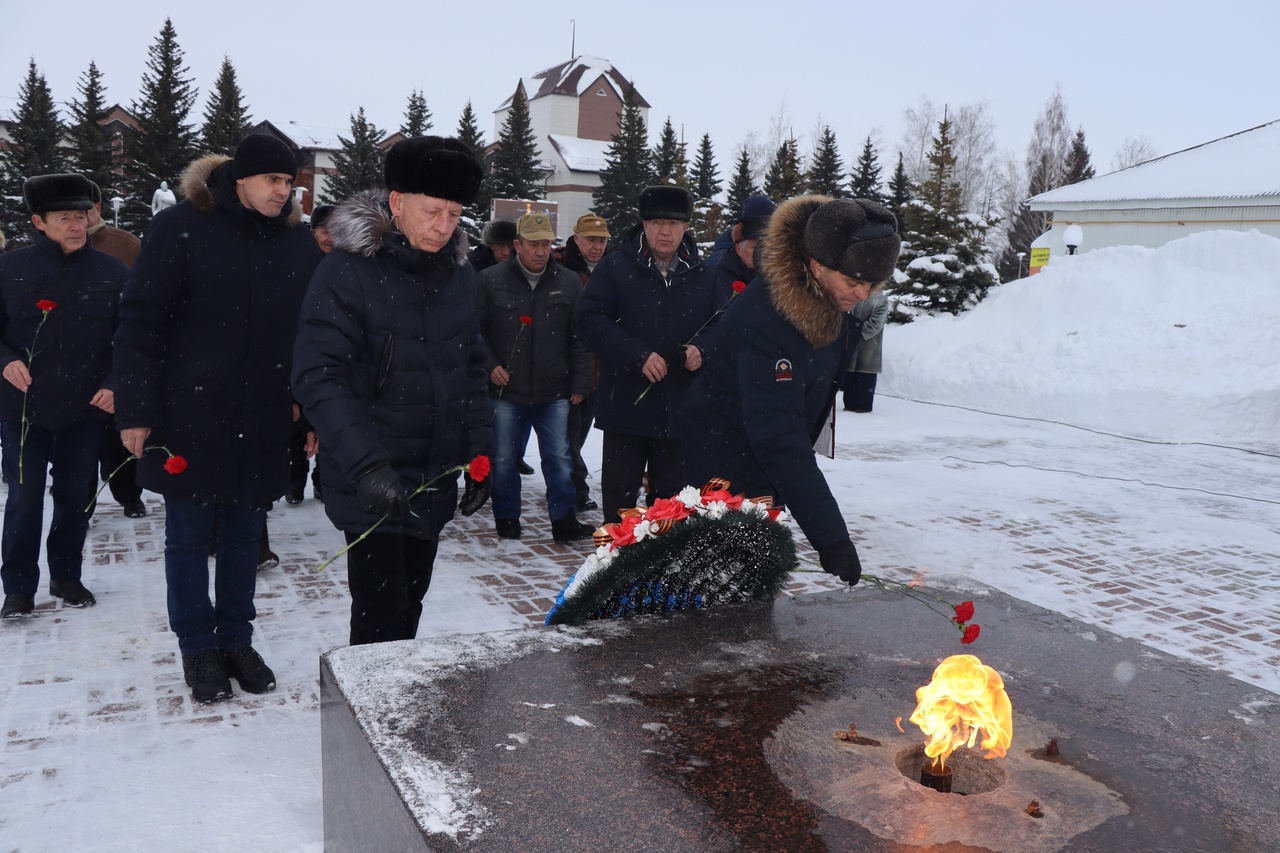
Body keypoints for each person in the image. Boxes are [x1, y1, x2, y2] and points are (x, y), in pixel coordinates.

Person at [113, 134, 322, 702]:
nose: (285, 192)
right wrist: (135, 408)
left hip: (263, 415)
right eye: (274, 181)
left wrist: (308, 412)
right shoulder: (181, 227)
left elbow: (310, 335)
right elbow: (141, 320)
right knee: (187, 537)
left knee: (244, 532)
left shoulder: (297, 243)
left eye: (291, 182)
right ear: (239, 177)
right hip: (191, 412)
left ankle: (236, 639)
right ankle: (197, 648)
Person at [291, 136, 493, 646]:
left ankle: (398, 705)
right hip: (372, 472)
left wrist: (480, 452)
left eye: (453, 213)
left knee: (412, 601)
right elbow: (318, 374)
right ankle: (367, 715)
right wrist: (366, 466)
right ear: (397, 202)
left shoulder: (459, 274)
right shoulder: (347, 270)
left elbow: (470, 368)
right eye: (432, 211)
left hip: (431, 472)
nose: (443, 226)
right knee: (381, 612)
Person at [681, 196, 901, 587]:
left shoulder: (824, 300)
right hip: (725, 471)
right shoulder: (770, 320)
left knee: (749, 587)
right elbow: (780, 439)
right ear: (817, 266)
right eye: (853, 283)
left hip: (762, 468)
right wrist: (831, 538)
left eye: (871, 284)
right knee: (722, 591)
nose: (863, 295)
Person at [0, 174, 127, 618]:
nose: (76, 225)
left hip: (84, 413)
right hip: (22, 411)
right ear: (38, 221)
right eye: (64, 218)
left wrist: (114, 383)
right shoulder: (8, 268)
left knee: (77, 499)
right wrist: (4, 359)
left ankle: (66, 576)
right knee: (24, 498)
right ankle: (17, 588)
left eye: (82, 216)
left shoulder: (112, 273)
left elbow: (130, 339)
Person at [576, 186, 725, 523]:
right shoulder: (615, 268)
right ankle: (615, 572)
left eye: (674, 223)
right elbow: (589, 321)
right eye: (657, 221)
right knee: (621, 513)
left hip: (681, 415)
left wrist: (702, 350)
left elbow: (726, 329)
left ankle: (663, 573)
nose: (665, 231)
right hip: (626, 409)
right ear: (643, 224)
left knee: (672, 512)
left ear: (686, 227)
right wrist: (637, 355)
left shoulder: (705, 275)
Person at [478, 212, 593, 542]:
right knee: (502, 460)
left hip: (553, 390)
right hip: (506, 391)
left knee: (559, 458)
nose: (541, 252)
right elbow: (476, 332)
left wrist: (580, 383)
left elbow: (579, 337)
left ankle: (564, 519)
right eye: (533, 245)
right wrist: (490, 365)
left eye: (546, 244)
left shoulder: (568, 282)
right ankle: (507, 518)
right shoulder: (490, 280)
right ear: (517, 246)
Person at [86, 181, 146, 519]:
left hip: (117, 352)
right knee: (78, 440)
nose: (81, 218)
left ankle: (129, 495)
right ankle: (83, 502)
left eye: (88, 208)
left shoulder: (126, 245)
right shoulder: (55, 244)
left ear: (99, 207)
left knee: (118, 434)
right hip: (75, 357)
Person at [553, 213, 611, 512]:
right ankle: (575, 489)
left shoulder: (612, 270)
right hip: (565, 367)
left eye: (602, 240)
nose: (597, 246)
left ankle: (572, 485)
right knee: (568, 434)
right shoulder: (560, 269)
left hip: (599, 371)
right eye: (591, 240)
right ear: (576, 239)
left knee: (579, 432)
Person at [708, 194, 775, 298]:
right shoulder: (716, 278)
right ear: (739, 249)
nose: (762, 253)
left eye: (769, 245)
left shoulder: (781, 277)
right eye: (755, 247)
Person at [843, 284, 889, 412]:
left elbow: (875, 325)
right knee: (851, 376)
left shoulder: (881, 301)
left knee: (865, 377)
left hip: (870, 347)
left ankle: (863, 406)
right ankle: (850, 404)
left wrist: (854, 328)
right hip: (852, 346)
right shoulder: (857, 297)